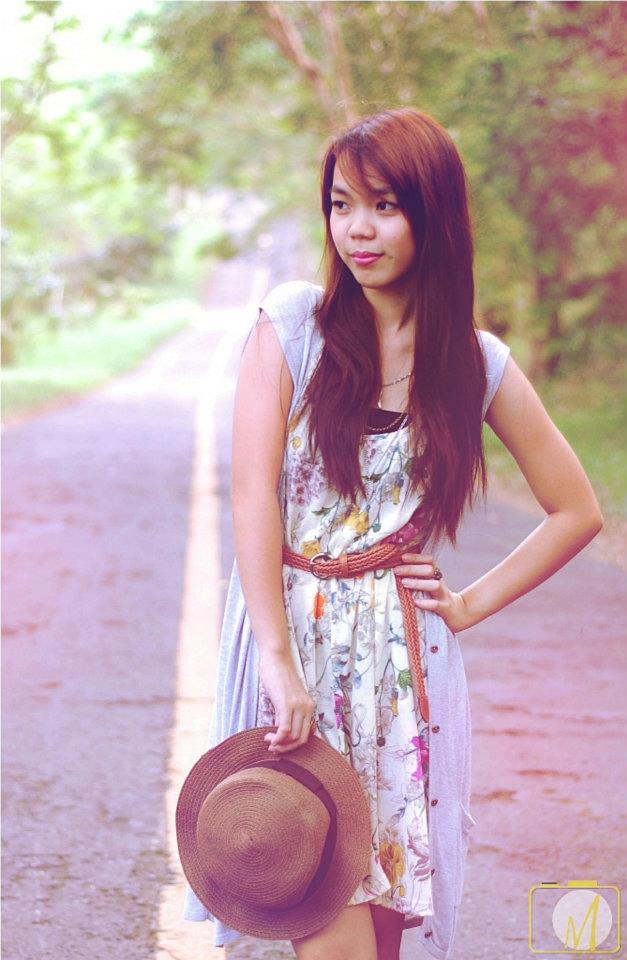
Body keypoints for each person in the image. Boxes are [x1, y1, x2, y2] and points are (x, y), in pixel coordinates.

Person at [182, 108, 603, 960]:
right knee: (314, 907)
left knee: (379, 940)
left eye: (383, 205)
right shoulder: (293, 325)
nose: (357, 230)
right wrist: (276, 661)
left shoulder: (473, 363)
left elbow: (576, 510)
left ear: (431, 215)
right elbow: (253, 494)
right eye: (341, 205)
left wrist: (467, 604)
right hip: (294, 646)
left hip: (401, 667)